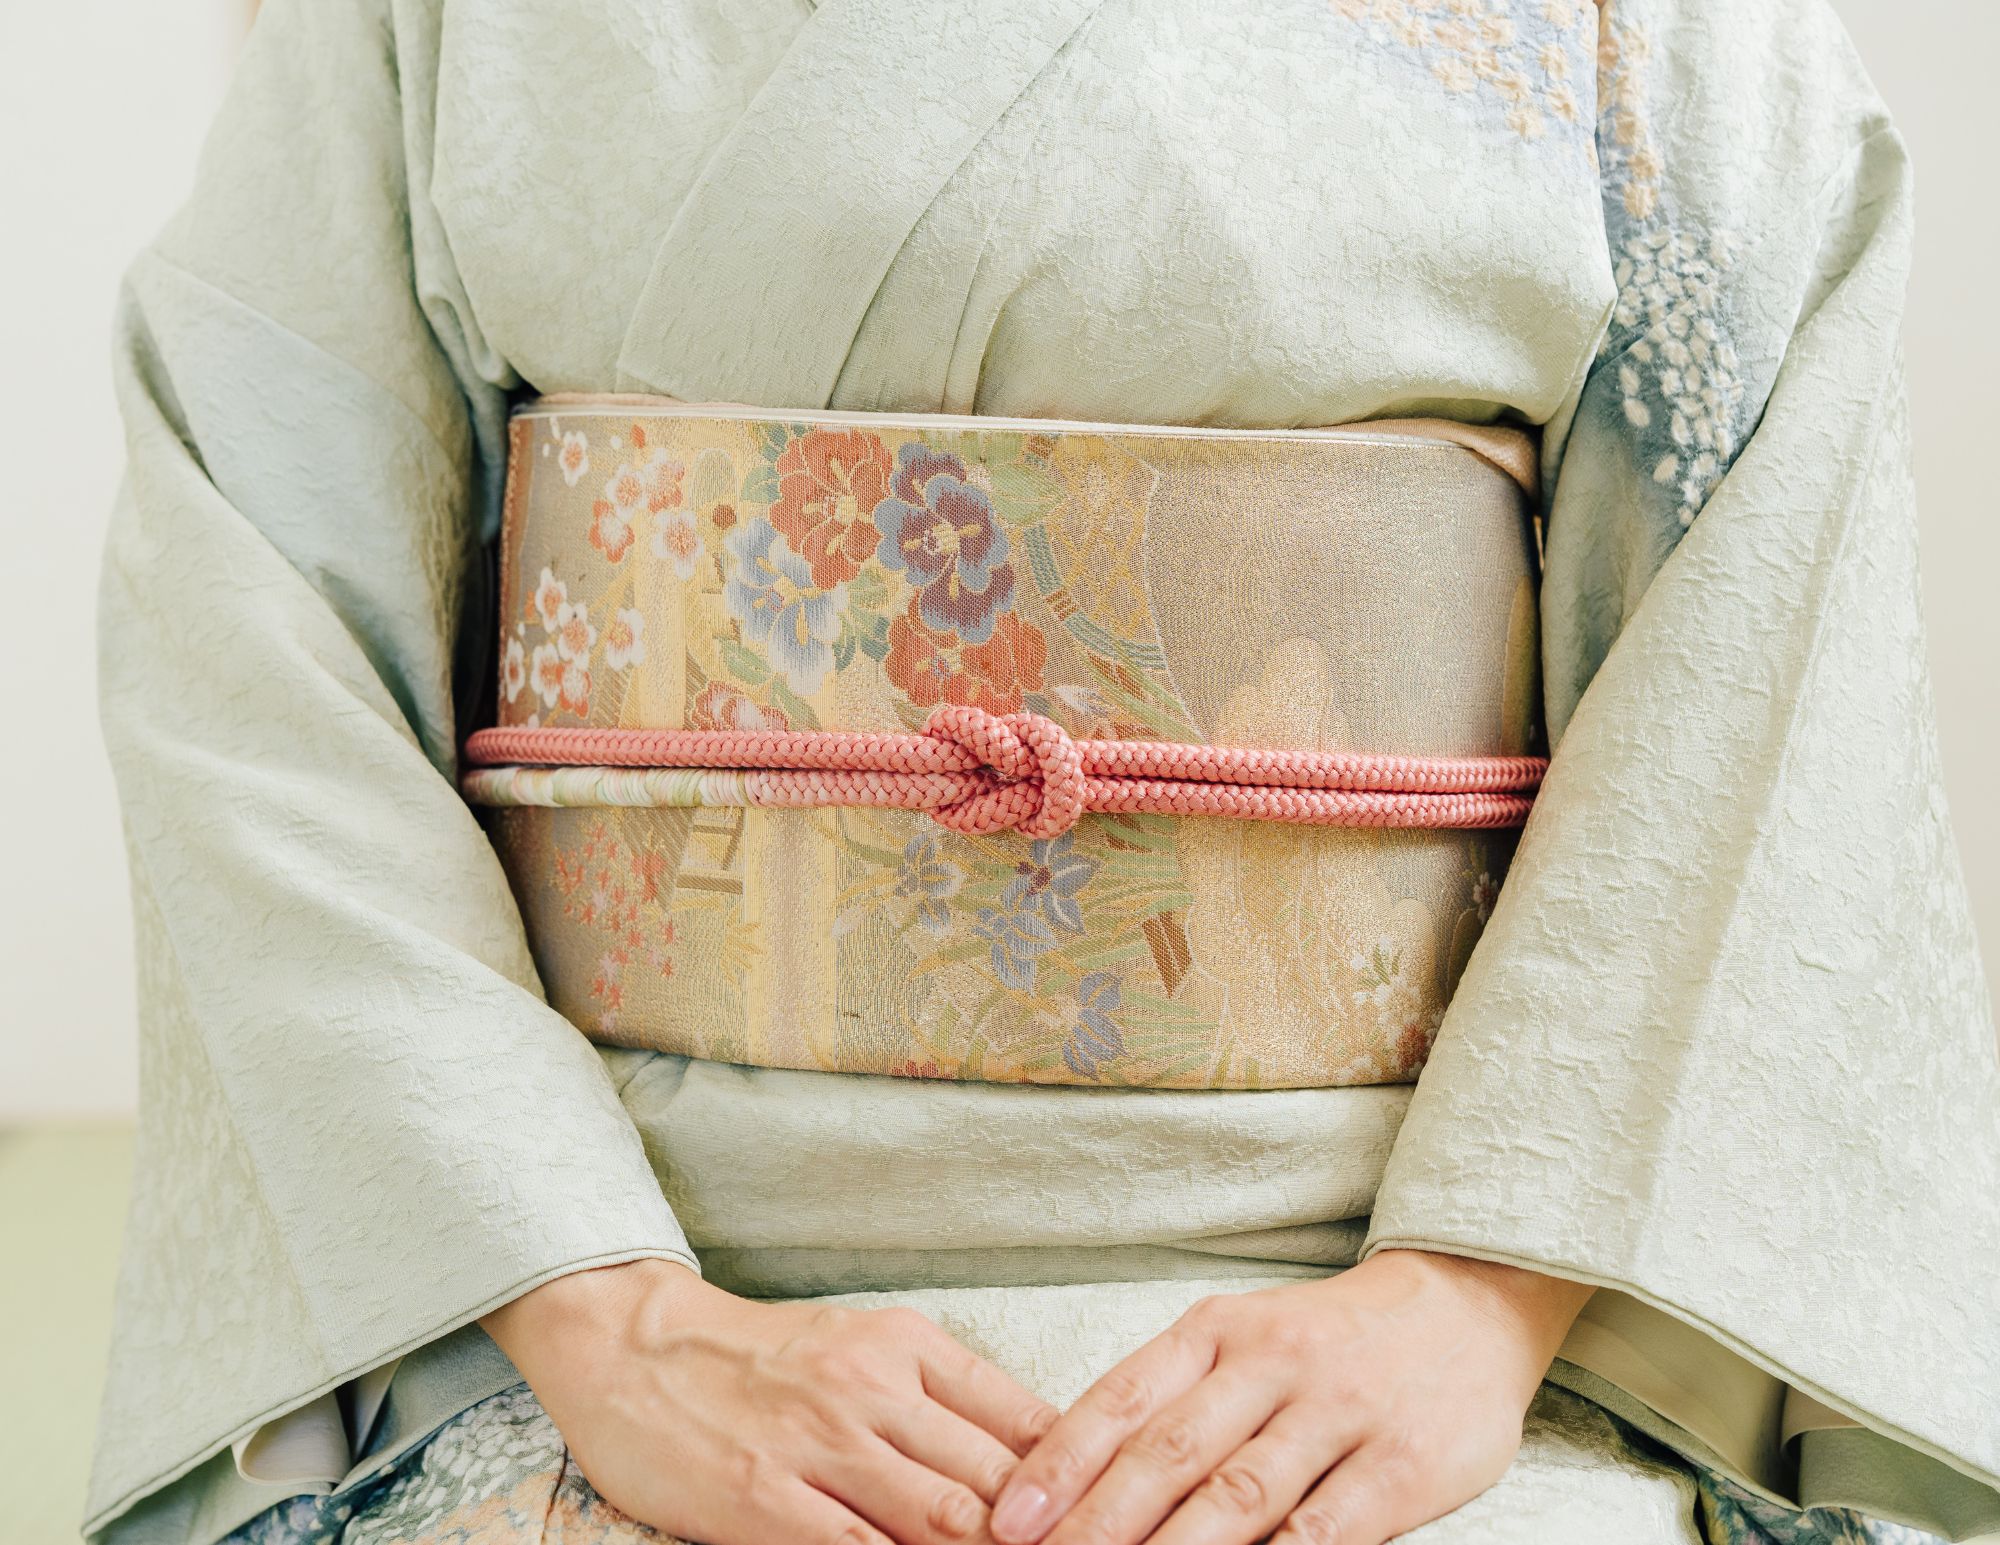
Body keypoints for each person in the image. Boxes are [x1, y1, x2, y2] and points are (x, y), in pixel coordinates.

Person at [86, 1, 1999, 1542]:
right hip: (616, 1307)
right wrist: (610, 1317)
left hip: (1421, 1328)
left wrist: (1473, 1300)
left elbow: (1755, 667)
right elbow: (259, 615)